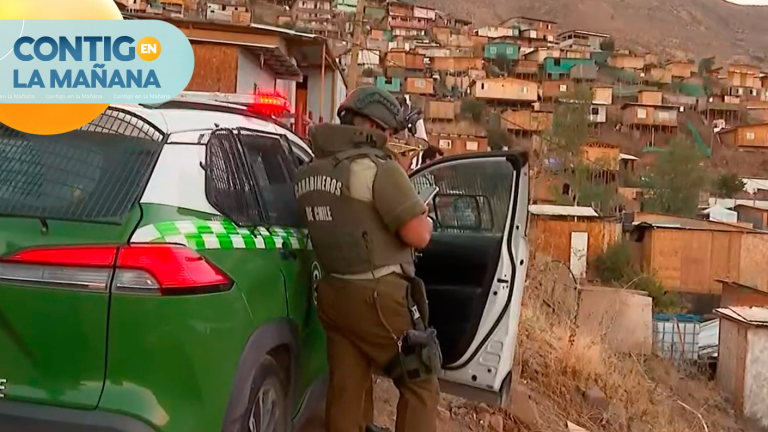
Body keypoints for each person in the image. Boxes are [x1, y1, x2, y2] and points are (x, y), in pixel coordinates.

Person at [295, 85, 440, 432]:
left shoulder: (309, 172)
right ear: (374, 128)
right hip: (378, 297)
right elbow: (419, 234)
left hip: (333, 294)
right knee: (420, 379)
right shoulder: (378, 169)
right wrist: (424, 212)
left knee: (348, 388)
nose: (391, 139)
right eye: (389, 132)